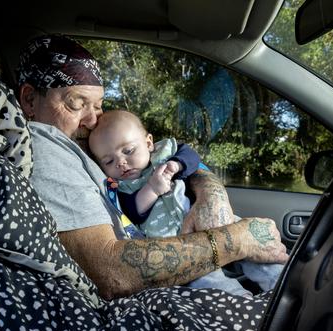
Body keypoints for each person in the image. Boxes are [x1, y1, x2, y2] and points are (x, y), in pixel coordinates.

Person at [16, 34, 289, 300]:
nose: (92, 119)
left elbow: (173, 155)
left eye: (98, 106)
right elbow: (112, 273)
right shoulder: (47, 145)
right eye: (77, 103)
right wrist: (237, 240)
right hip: (158, 289)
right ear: (29, 100)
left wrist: (210, 193)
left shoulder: (87, 139)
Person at [88, 110, 284, 297]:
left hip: (205, 218)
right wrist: (152, 189)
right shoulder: (119, 188)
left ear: (149, 143)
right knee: (205, 280)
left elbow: (191, 156)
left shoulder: (164, 154)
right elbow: (131, 212)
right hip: (173, 243)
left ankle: (280, 282)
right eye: (108, 161)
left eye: (128, 150)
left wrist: (176, 164)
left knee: (254, 243)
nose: (121, 162)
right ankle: (239, 300)